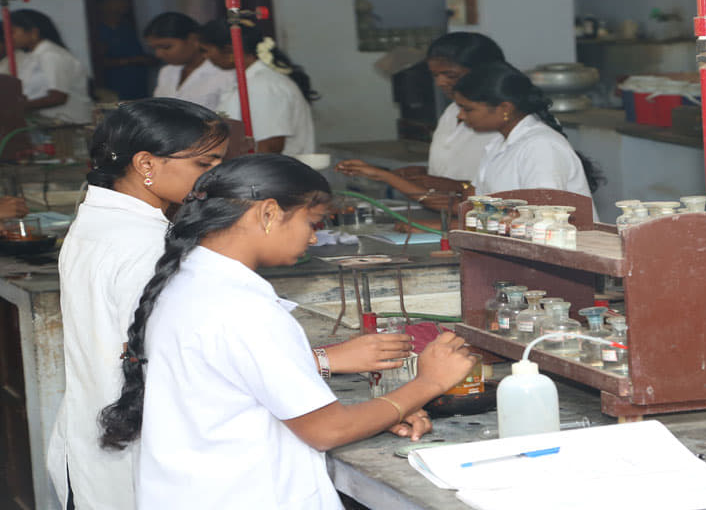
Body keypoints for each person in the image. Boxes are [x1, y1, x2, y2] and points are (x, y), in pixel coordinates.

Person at [48, 98, 407, 509]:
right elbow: (189, 354)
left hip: (99, 442)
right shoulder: (144, 248)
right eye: (205, 165)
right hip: (143, 456)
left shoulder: (102, 220)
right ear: (146, 164)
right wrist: (326, 362)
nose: (213, 180)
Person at [97, 154, 476, 509]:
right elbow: (327, 430)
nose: (313, 238)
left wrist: (382, 410)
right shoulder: (242, 309)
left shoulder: (190, 281)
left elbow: (246, 390)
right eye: (312, 223)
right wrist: (427, 383)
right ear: (268, 213)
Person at [336, 32, 505, 212]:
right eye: (435, 75)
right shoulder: (452, 111)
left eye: (450, 75)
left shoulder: (500, 121)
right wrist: (425, 175)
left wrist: (448, 184)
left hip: (476, 217)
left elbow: (501, 192)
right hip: (447, 211)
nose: (440, 82)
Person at [450, 61, 602, 199]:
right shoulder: (498, 143)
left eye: (467, 109)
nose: (460, 115)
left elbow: (543, 216)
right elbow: (475, 202)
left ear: (505, 109)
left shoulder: (541, 146)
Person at [199, 20, 316, 155]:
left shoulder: (264, 85)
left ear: (229, 50)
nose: (205, 57)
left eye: (206, 50)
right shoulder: (251, 81)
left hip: (269, 173)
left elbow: (270, 146)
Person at [5, 10, 93, 124]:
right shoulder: (31, 56)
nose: (9, 37)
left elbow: (58, 97)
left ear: (34, 33)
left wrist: (16, 107)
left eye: (12, 32)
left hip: (68, 125)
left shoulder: (51, 56)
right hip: (47, 122)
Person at [145, 12, 234, 111]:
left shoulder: (224, 72)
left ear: (193, 39)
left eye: (166, 47)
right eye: (154, 49)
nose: (159, 54)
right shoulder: (167, 71)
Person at [92, 0, 153, 100]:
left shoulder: (127, 27)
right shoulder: (98, 31)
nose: (123, 3)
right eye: (116, 0)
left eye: (124, 0)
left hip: (138, 86)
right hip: (116, 88)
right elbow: (99, 62)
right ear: (102, 4)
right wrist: (133, 60)